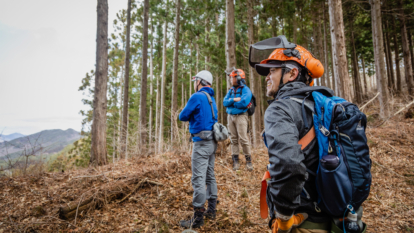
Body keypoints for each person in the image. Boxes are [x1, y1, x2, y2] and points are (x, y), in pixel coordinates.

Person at [253, 36, 334, 233]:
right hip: (335, 219)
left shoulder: (280, 108)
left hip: (302, 222)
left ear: (292, 73)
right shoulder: (324, 106)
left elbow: (289, 165)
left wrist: (284, 218)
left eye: (272, 70)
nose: (267, 77)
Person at [178, 70, 218, 229]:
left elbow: (182, 116)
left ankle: (198, 218)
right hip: (212, 142)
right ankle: (212, 210)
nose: (194, 84)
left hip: (201, 143)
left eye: (195, 81)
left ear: (200, 82)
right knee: (210, 175)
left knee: (198, 179)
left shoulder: (197, 97)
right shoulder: (211, 98)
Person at [223, 69, 254, 171]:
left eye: (233, 77)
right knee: (233, 140)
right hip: (230, 116)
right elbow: (225, 102)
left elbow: (244, 102)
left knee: (243, 139)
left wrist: (232, 104)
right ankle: (235, 161)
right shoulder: (231, 90)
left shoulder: (246, 90)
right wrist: (234, 100)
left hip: (241, 116)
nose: (231, 79)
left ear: (238, 78)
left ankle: (248, 161)